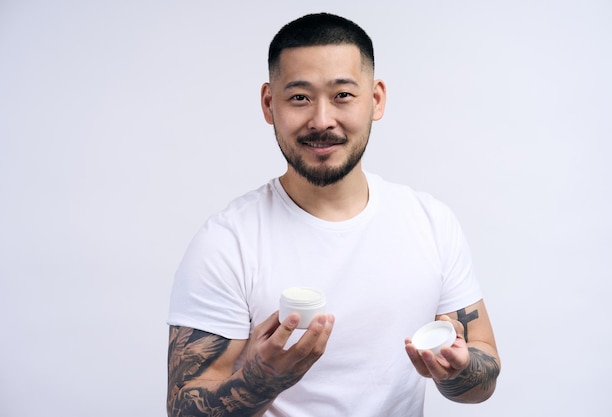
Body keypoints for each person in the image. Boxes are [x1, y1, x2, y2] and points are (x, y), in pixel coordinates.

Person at [167, 12, 500, 417]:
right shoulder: (227, 242)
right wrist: (261, 380)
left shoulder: (430, 222)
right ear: (269, 104)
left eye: (342, 95)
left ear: (375, 100)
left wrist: (457, 372)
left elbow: (482, 376)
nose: (322, 120)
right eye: (299, 97)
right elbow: (183, 408)